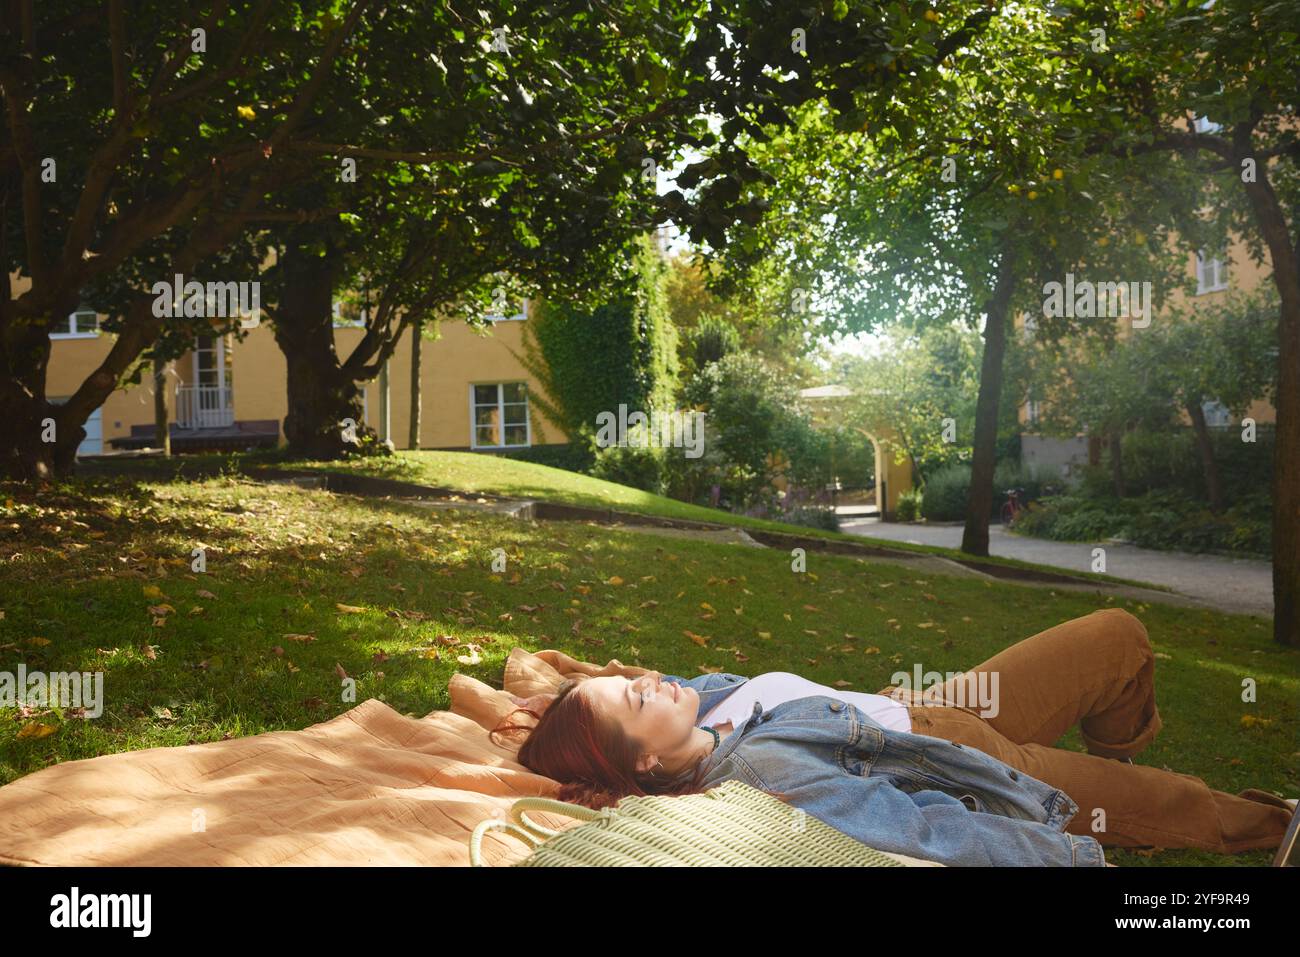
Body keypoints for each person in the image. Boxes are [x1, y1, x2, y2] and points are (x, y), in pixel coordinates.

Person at [496, 608, 1296, 867]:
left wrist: (559, 701)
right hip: (977, 760)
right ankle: (1281, 827)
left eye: (630, 677)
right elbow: (925, 829)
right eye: (630, 698)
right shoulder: (758, 771)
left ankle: (1114, 748)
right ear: (642, 759)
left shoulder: (696, 705)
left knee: (1118, 636)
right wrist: (1069, 855)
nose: (643, 678)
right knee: (1176, 804)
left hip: (936, 706)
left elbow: (615, 695)